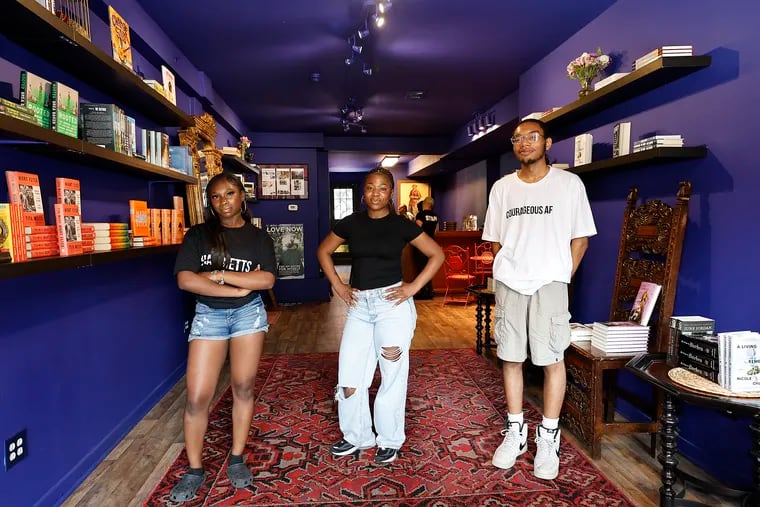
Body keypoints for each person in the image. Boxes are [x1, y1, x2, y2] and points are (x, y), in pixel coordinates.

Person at [482, 119, 596, 481]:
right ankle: (516, 433)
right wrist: (509, 268)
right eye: (517, 138)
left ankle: (548, 437)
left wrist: (562, 274)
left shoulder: (568, 185)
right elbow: (496, 241)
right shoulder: (502, 189)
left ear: (547, 142)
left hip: (550, 283)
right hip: (511, 283)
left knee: (552, 359)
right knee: (511, 358)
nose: (524, 143)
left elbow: (581, 239)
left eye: (531, 137)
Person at [316, 167, 444, 464]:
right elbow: (323, 251)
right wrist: (338, 285)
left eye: (382, 188)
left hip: (392, 306)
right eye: (370, 187)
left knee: (391, 377)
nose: (375, 193)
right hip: (360, 306)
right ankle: (356, 436)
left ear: (390, 192)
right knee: (349, 376)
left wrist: (412, 288)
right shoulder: (351, 222)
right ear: (364, 191)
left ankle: (389, 439)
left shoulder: (402, 224)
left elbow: (437, 254)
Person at [170, 173, 276, 502]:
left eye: (230, 193)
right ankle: (195, 469)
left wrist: (218, 274)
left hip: (249, 316)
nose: (224, 201)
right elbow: (186, 280)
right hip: (209, 317)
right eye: (216, 196)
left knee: (243, 386)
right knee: (197, 396)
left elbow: (267, 278)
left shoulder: (259, 237)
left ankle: (237, 457)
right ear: (210, 202)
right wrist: (236, 290)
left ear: (242, 196)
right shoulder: (199, 235)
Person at [414, 196, 439, 299]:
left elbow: (417, 228)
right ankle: (430, 291)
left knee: (421, 268)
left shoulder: (421, 214)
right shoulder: (435, 216)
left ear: (425, 204)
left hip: (421, 244)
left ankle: (424, 292)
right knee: (428, 268)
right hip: (431, 245)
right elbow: (436, 231)